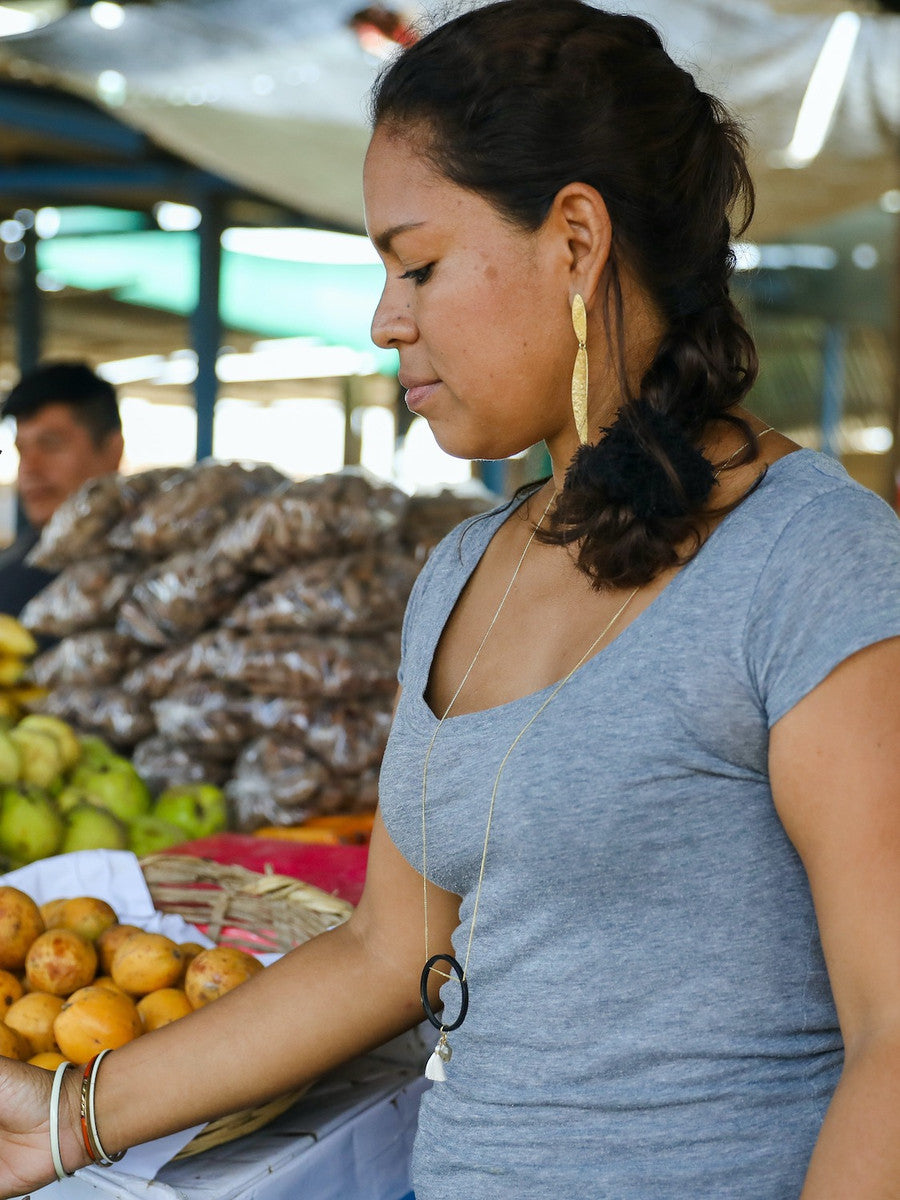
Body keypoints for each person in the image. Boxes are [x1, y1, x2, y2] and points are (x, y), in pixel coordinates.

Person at [2, 3, 900, 1197]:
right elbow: (391, 951)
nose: (387, 319)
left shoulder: (815, 561)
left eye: (417, 263)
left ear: (576, 240)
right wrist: (65, 1116)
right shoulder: (463, 571)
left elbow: (893, 1041)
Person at [0, 361, 124, 616]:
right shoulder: (9, 581)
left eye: (50, 445)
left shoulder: (167, 570)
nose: (29, 469)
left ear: (112, 450)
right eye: (22, 450)